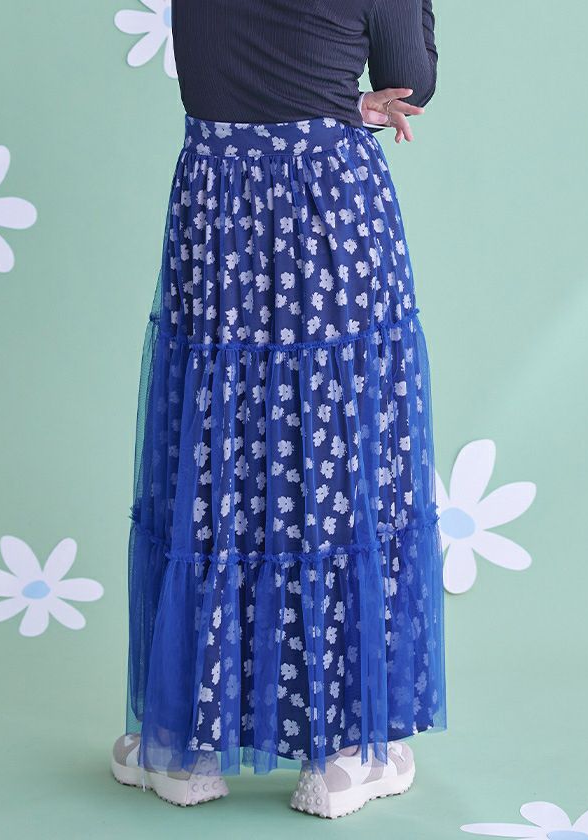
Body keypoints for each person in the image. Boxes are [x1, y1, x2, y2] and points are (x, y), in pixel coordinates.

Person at [110, 0, 446, 819]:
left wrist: (330, 96)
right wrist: (350, 99)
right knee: (331, 451)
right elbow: (413, 80)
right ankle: (344, 752)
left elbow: (226, 66)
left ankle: (185, 743)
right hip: (328, 202)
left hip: (216, 204)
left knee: (215, 447)